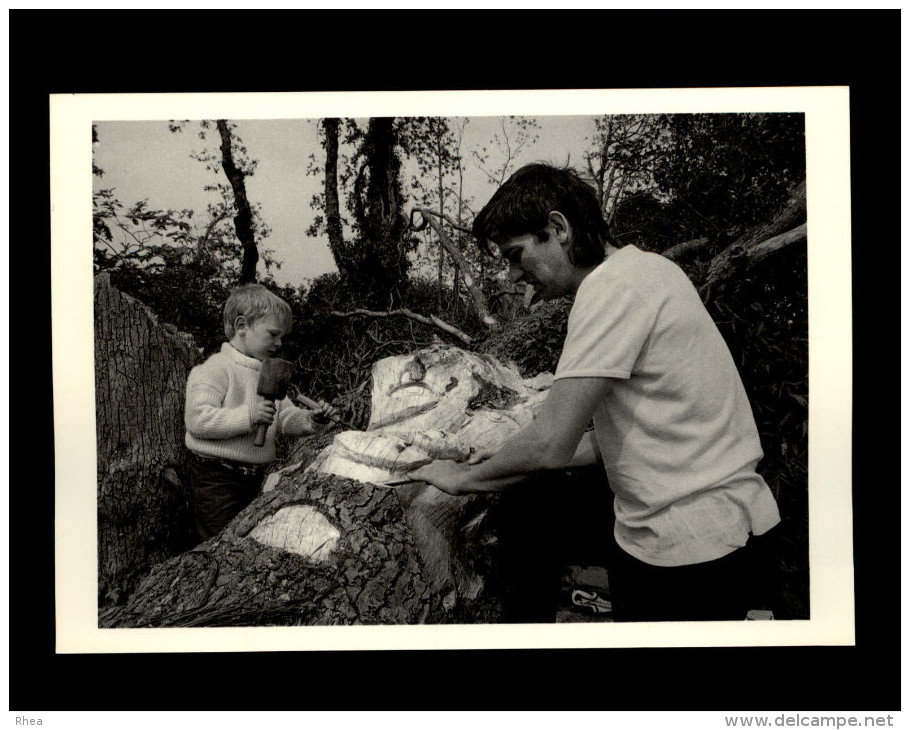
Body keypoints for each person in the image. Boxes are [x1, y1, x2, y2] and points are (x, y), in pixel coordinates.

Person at [410, 163, 782, 622]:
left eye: (515, 254)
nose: (510, 275)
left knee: (525, 517)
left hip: (690, 551)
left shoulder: (610, 288)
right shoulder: (650, 269)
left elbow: (548, 445)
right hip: (717, 527)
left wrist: (460, 479)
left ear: (558, 228)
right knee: (529, 513)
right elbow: (618, 439)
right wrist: (493, 463)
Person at [184, 283, 337, 541]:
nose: (279, 343)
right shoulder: (216, 368)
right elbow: (197, 419)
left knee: (249, 540)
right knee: (220, 543)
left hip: (255, 478)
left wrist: (311, 420)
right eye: (273, 334)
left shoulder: (269, 372)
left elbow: (284, 418)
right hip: (217, 478)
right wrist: (249, 416)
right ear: (242, 326)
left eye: (282, 337)